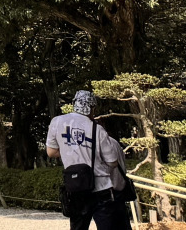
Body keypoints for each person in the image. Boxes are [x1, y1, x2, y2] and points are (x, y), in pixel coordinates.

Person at [46, 90, 126, 230]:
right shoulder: (97, 129)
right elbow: (112, 162)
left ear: (74, 104)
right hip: (100, 188)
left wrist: (71, 153)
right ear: (92, 108)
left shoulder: (57, 122)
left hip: (76, 187)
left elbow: (51, 152)